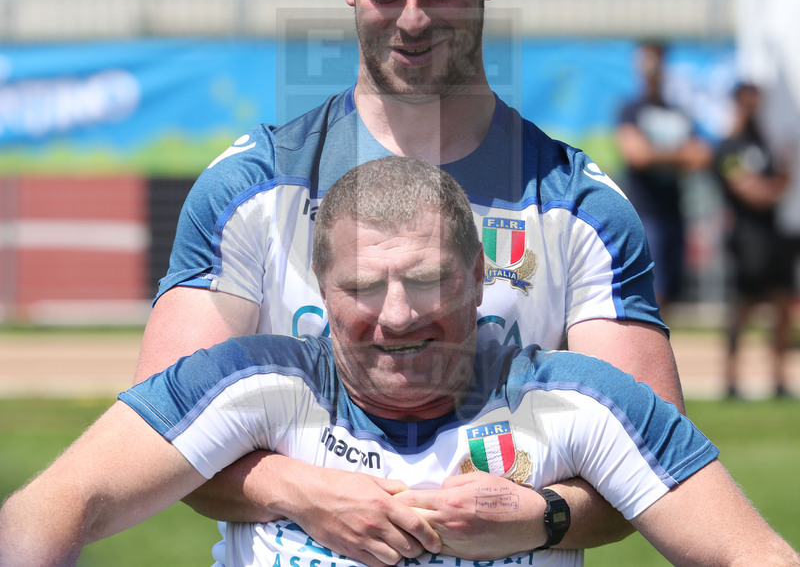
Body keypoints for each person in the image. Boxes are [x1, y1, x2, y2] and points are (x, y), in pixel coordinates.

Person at [134, 0, 685, 563]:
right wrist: (302, 490)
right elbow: (156, 443)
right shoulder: (250, 186)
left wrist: (546, 514)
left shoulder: (579, 207)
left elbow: (660, 470)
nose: (414, 19)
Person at [2, 157, 797, 567]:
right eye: (361, 286)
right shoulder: (252, 384)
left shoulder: (575, 402)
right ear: (320, 287)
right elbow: (54, 506)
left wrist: (544, 516)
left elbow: (752, 551)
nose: (398, 317)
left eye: (428, 281)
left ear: (481, 278)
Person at [616, 40, 713, 311]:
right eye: (646, 60)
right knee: (649, 288)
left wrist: (657, 154)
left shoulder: (678, 112)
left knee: (669, 288)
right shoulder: (630, 110)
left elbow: (702, 156)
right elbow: (636, 155)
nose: (652, 67)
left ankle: (660, 347)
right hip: (645, 213)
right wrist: (679, 154)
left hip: (674, 212)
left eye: (656, 60)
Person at [715, 82, 795, 399]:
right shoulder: (728, 147)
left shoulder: (765, 144)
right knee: (742, 307)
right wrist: (771, 189)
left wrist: (772, 187)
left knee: (781, 305)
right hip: (746, 236)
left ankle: (778, 379)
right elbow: (748, 189)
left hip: (774, 234)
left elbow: (782, 180)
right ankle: (732, 379)